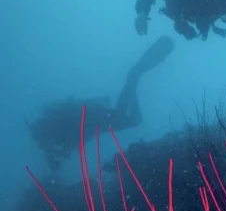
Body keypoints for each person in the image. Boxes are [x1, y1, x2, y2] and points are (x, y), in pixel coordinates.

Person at [29, 36, 175, 171]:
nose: (42, 144)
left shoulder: (58, 129)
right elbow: (70, 146)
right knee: (129, 116)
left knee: (134, 119)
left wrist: (53, 154)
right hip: (98, 119)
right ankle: (133, 76)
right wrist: (52, 155)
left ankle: (133, 76)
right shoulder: (55, 133)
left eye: (41, 140)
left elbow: (72, 141)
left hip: (97, 118)